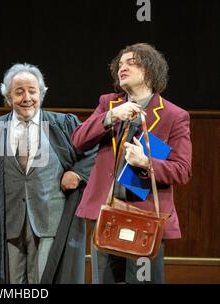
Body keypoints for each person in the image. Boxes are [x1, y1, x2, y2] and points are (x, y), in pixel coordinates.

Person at [0, 63, 97, 284]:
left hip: (50, 221)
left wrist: (77, 173)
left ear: (41, 94)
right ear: (8, 97)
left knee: (45, 280)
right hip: (8, 223)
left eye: (32, 91)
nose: (27, 98)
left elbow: (94, 153)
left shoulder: (64, 124)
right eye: (19, 92)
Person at [71, 43, 192, 284]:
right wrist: (111, 116)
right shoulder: (108, 103)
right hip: (106, 215)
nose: (122, 67)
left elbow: (182, 170)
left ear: (150, 70)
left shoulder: (173, 115)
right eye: (120, 64)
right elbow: (78, 140)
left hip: (144, 216)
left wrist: (147, 162)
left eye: (131, 62)